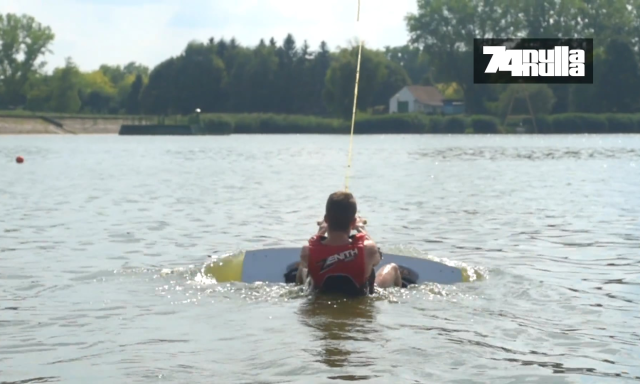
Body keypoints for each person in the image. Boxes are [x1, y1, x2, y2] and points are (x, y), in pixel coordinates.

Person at [295, 191, 402, 296]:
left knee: (302, 267)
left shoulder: (307, 252)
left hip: (321, 294)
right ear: (353, 222)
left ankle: (298, 288)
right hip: (358, 296)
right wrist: (361, 229)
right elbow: (377, 257)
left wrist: (321, 230)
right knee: (393, 267)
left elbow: (314, 245)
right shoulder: (368, 249)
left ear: (326, 219)